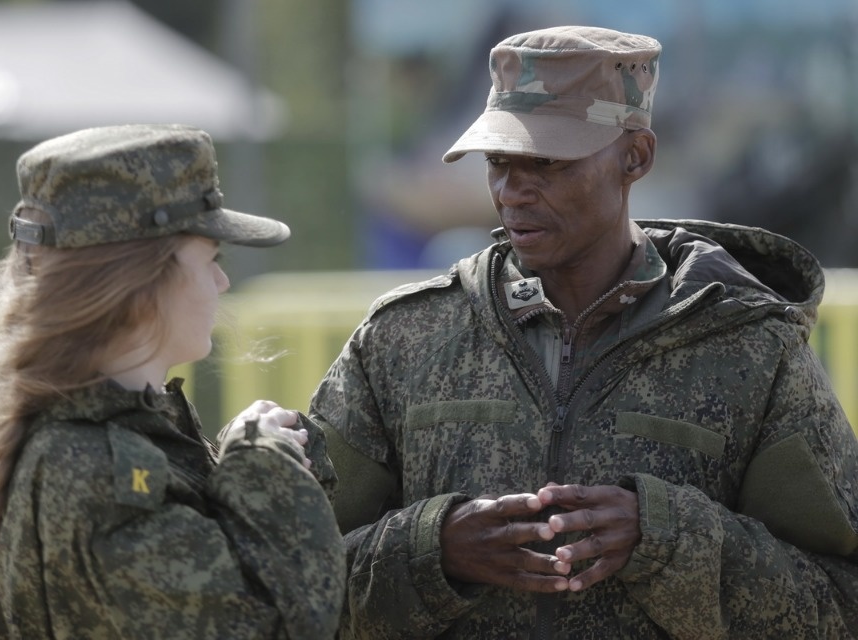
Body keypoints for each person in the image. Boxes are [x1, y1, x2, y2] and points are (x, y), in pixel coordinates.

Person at [310, 26, 858, 637]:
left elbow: (841, 604)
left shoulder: (751, 349)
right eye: (498, 162)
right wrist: (431, 551)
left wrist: (666, 540)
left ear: (636, 157)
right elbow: (296, 585)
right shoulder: (401, 341)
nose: (512, 192)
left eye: (547, 162)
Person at [0, 124, 345, 639]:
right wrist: (263, 465)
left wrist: (246, 463)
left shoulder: (106, 438)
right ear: (142, 283)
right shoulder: (99, 470)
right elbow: (269, 625)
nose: (222, 282)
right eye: (210, 259)